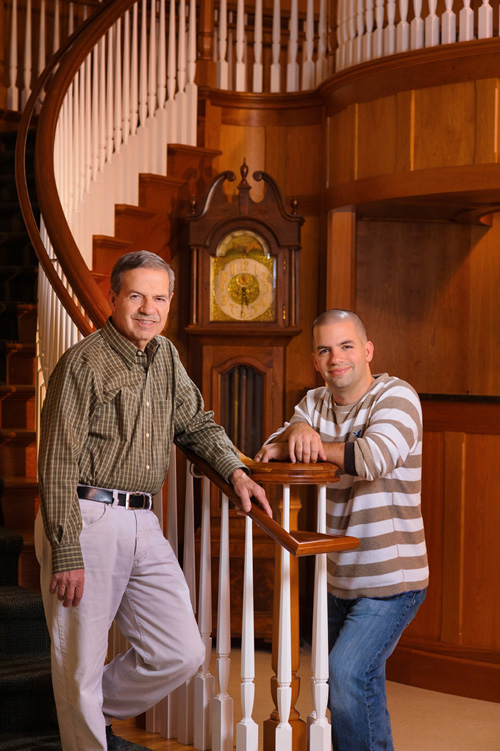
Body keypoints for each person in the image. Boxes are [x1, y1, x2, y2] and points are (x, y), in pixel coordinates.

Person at [35, 250, 272, 751]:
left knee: (180, 651)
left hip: (143, 518)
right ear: (113, 297)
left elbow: (195, 423)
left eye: (159, 298)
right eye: (137, 296)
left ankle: (83, 713)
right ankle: (82, 721)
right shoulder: (83, 362)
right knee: (79, 663)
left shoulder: (165, 356)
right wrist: (66, 549)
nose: (149, 308)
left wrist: (235, 470)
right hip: (85, 515)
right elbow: (56, 459)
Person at [255, 309, 428, 751]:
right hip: (337, 578)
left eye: (347, 346)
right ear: (315, 361)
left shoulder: (397, 396)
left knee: (347, 674)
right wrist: (297, 428)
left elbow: (373, 458)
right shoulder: (313, 404)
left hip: (392, 579)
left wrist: (311, 445)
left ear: (367, 350)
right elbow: (271, 449)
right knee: (349, 686)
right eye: (325, 350)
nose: (337, 358)